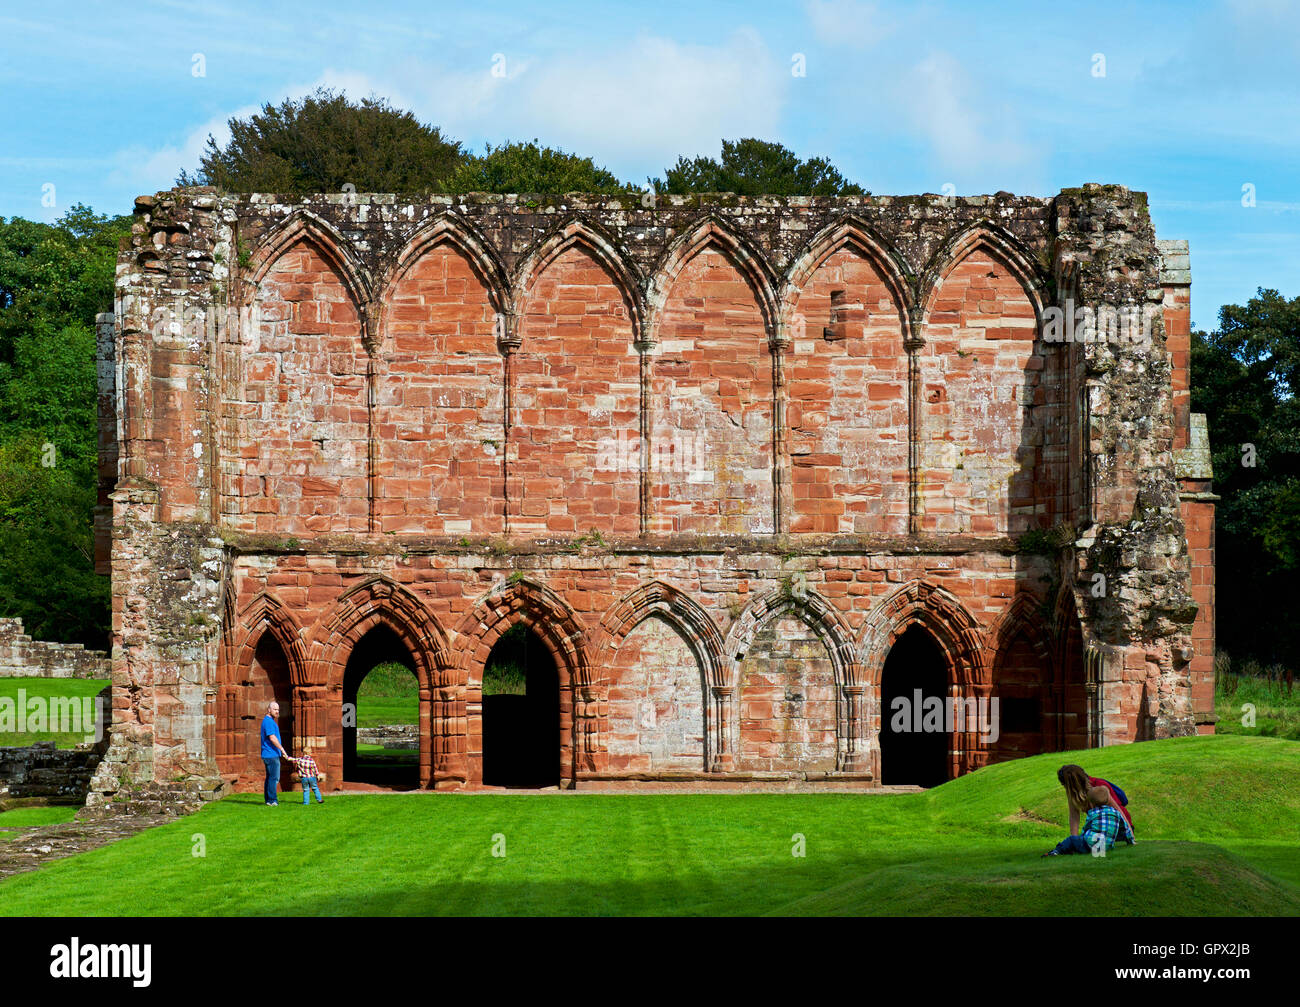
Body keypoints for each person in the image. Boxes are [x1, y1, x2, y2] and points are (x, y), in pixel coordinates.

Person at [1058, 763, 1135, 844]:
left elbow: (1118, 810)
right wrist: (1074, 840)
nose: (1064, 787)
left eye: (1064, 784)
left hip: (1117, 827)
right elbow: (1074, 816)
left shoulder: (1099, 786)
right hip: (1099, 826)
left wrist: (1131, 835)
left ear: (1071, 783)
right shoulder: (1073, 792)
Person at [1043, 785, 1123, 856]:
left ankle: (1056, 851)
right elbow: (1125, 828)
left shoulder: (1093, 813)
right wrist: (1131, 840)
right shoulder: (1116, 813)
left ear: (1092, 803)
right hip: (1106, 847)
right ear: (1108, 800)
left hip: (1091, 845)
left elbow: (1086, 828)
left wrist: (1080, 837)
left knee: (1072, 839)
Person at [260, 701, 289, 806]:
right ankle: (272, 800)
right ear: (269, 710)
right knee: (274, 778)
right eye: (275, 709)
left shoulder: (269, 721)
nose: (277, 712)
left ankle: (268, 800)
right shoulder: (268, 722)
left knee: (269, 777)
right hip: (271, 754)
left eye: (278, 710)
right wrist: (282, 749)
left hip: (268, 754)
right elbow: (272, 737)